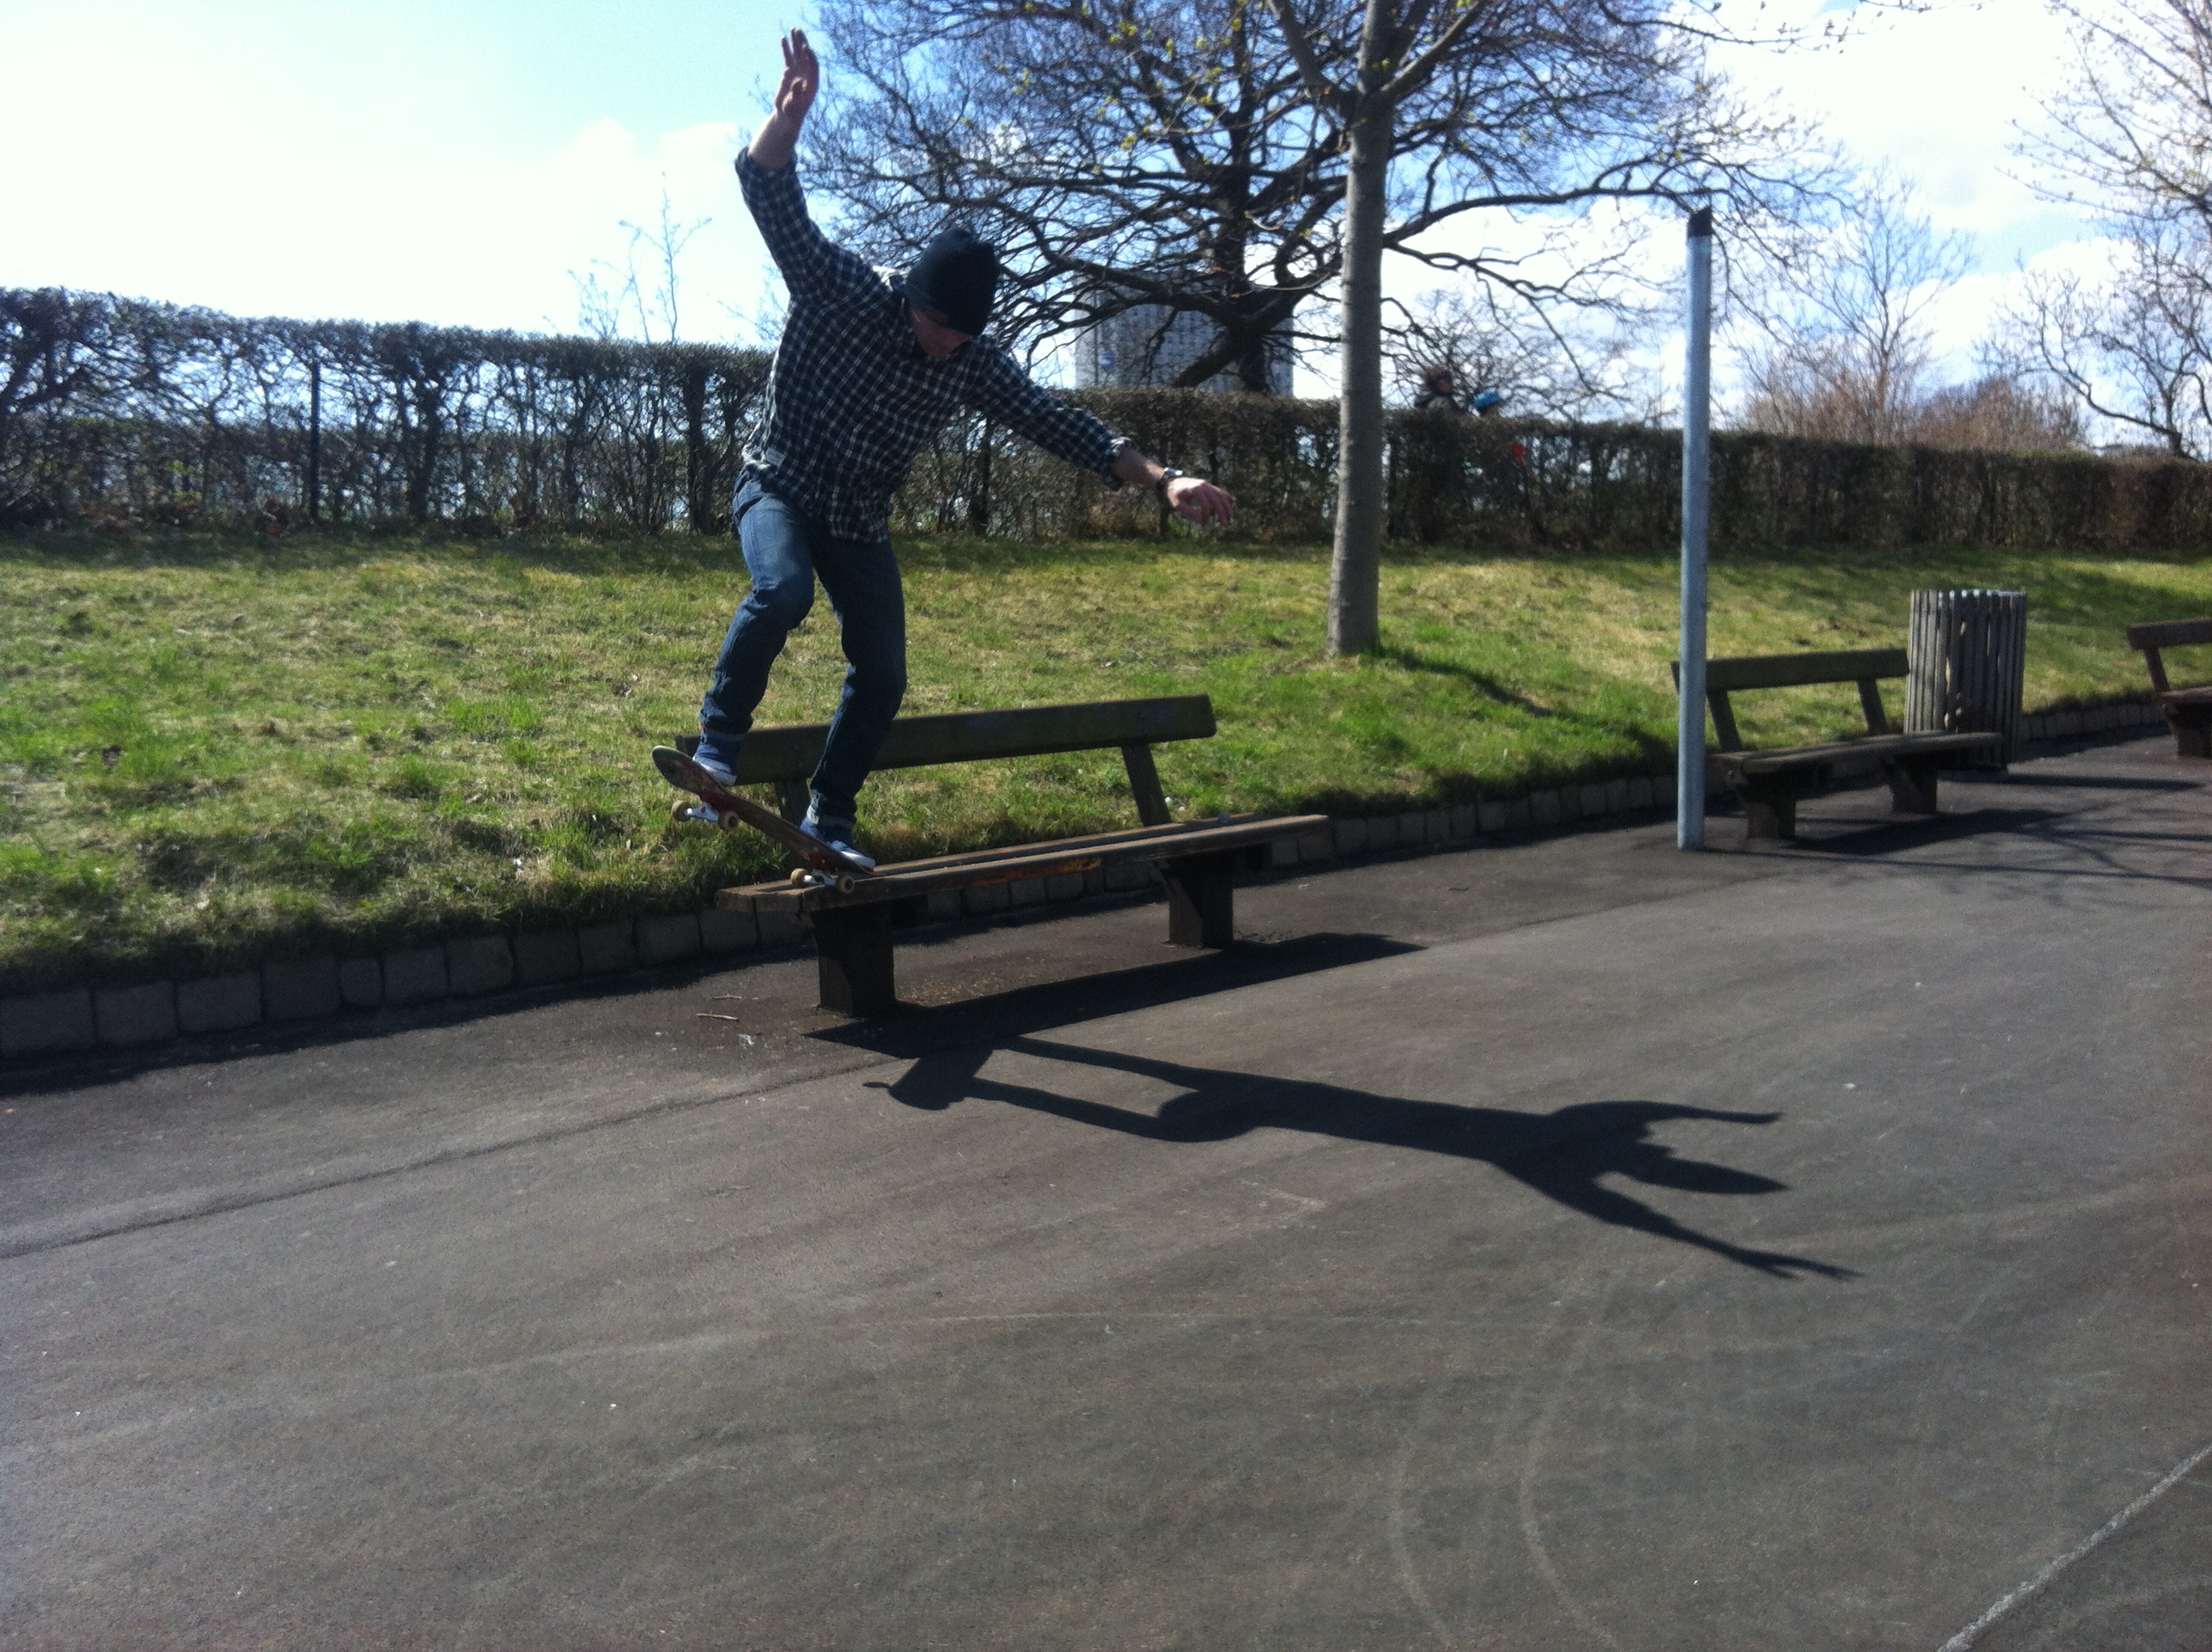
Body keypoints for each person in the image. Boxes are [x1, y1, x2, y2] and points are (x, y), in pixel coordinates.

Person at [690, 28, 1235, 870]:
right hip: (780, 486)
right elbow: (768, 191)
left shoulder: (972, 360)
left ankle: (829, 817)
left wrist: (1162, 480)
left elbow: (1059, 421)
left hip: (860, 519)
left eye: (963, 333)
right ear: (912, 296)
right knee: (782, 588)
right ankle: (717, 744)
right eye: (939, 324)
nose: (948, 344)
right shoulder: (840, 290)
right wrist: (786, 122)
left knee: (885, 670)